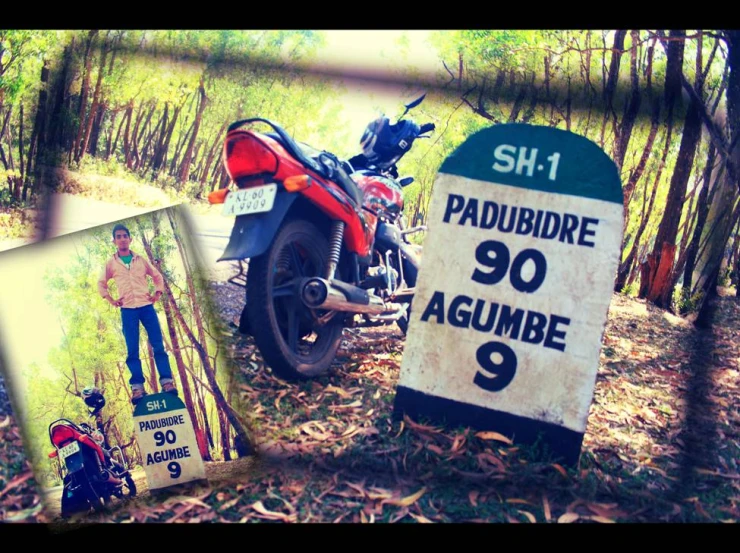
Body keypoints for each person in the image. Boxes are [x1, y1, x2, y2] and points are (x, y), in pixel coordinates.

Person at [98, 224, 178, 405]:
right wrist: (110, 299)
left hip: (146, 307)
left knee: (158, 345)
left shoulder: (140, 260)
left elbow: (157, 276)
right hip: (127, 310)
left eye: (125, 236)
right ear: (114, 241)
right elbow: (101, 283)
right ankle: (137, 388)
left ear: (130, 239)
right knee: (132, 349)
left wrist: (157, 293)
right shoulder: (111, 263)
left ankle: (167, 382)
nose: (122, 239)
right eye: (118, 236)